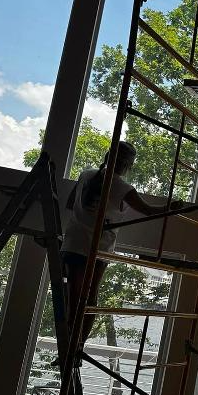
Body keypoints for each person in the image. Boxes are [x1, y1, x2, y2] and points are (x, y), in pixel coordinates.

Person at [61, 141, 182, 344]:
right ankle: (77, 343)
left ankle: (69, 341)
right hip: (97, 248)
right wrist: (173, 207)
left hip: (73, 243)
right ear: (126, 164)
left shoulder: (87, 174)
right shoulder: (120, 185)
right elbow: (148, 210)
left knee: (73, 297)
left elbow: (69, 203)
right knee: (89, 299)